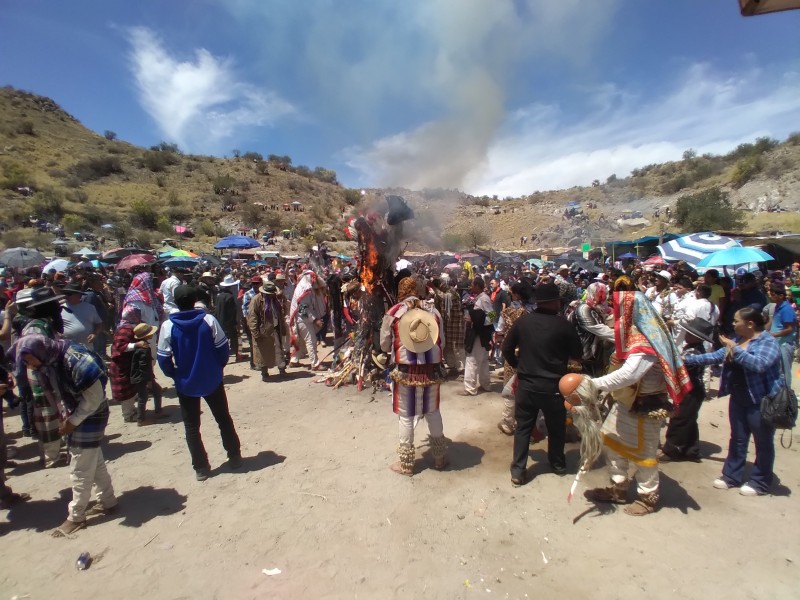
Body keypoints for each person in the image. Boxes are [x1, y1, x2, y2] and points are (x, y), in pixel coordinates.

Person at [569, 291, 692, 515]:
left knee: (643, 453)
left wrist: (591, 384)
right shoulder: (638, 335)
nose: (617, 315)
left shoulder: (648, 338)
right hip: (625, 400)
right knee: (611, 442)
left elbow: (629, 375)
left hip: (645, 405)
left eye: (620, 310)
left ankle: (648, 497)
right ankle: (619, 487)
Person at [10, 334, 117, 535]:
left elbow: (94, 399)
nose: (27, 365)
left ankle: (76, 516)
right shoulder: (50, 362)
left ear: (38, 352)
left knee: (80, 467)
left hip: (92, 412)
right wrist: (67, 418)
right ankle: (108, 501)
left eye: (27, 359)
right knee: (94, 460)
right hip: (77, 411)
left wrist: (72, 422)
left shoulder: (75, 360)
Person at [683, 307, 783, 496]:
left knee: (763, 442)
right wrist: (686, 360)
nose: (733, 324)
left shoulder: (768, 342)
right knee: (737, 438)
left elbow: (759, 364)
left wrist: (735, 349)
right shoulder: (737, 340)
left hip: (760, 400)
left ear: (750, 324)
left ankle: (760, 482)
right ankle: (731, 476)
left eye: (736, 321)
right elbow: (715, 356)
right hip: (739, 397)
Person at [157, 285, 241, 481]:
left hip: (186, 383)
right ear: (194, 300)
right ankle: (234, 455)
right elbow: (222, 349)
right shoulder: (208, 320)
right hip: (212, 378)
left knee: (192, 426)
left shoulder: (168, 326)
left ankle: (201, 467)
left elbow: (163, 359)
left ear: (175, 302)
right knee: (223, 418)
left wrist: (175, 375)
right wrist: (217, 368)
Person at [503, 282, 582, 485]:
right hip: (554, 386)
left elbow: (506, 349)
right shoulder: (564, 325)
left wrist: (518, 366)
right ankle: (557, 463)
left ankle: (518, 471)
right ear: (555, 302)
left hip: (527, 384)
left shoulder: (523, 322)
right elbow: (578, 354)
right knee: (556, 427)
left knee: (523, 428)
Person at [379, 277, 447, 476]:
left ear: (401, 291)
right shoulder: (433, 312)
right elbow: (440, 340)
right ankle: (440, 458)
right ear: (418, 290)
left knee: (406, 416)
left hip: (405, 372)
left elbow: (384, 344)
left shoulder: (394, 312)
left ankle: (407, 465)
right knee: (433, 412)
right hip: (431, 371)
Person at [659, 317, 713, 462]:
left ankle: (672, 450)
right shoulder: (691, 348)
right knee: (689, 419)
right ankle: (691, 450)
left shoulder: (693, 352)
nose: (686, 334)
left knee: (680, 419)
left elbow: (678, 366)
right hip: (694, 389)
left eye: (689, 333)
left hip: (691, 390)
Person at [496, 280, 535, 435]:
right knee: (528, 389)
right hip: (532, 354)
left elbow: (499, 331)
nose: (510, 295)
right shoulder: (534, 311)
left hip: (512, 354)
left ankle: (507, 422)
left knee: (511, 388)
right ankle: (527, 423)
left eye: (512, 293)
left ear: (517, 294)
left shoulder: (507, 312)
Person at [109, 305, 147, 423]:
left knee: (131, 390)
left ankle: (132, 410)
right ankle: (128, 415)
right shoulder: (124, 329)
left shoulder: (129, 327)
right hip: (121, 366)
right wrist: (136, 345)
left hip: (128, 364)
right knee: (126, 393)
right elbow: (120, 347)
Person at [571, 282, 615, 377]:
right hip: (582, 354)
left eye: (604, 294)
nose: (602, 297)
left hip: (593, 354)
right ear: (592, 294)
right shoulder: (584, 309)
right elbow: (599, 329)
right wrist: (623, 338)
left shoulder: (598, 308)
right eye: (599, 294)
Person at [247, 281, 288, 381]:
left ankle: (282, 369)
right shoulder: (256, 300)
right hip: (263, 332)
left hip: (275, 329)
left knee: (278, 350)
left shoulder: (275, 300)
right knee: (263, 354)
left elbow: (280, 315)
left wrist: (282, 327)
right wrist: (256, 334)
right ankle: (264, 373)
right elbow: (252, 318)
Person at [460, 277, 493, 396]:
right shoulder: (480, 298)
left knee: (471, 360)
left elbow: (492, 315)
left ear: (478, 286)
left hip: (479, 333)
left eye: (473, 285)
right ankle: (485, 384)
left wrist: (475, 321)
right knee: (483, 360)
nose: (471, 287)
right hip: (481, 333)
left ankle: (470, 388)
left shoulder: (484, 299)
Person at [288, 270, 326, 370]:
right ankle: (315, 364)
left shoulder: (303, 286)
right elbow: (303, 308)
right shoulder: (305, 288)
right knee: (311, 340)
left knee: (300, 341)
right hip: (302, 318)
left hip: (300, 318)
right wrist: (315, 320)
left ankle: (294, 360)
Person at [431, 275, 465, 375]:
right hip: (447, 323)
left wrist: (434, 288)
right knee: (447, 345)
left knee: (457, 347)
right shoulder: (442, 293)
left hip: (456, 324)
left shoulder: (451, 292)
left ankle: (461, 367)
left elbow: (444, 297)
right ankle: (452, 365)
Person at [130, 323, 162, 424]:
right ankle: (141, 419)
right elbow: (144, 366)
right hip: (142, 376)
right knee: (143, 396)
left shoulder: (140, 344)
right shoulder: (144, 347)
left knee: (153, 392)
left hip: (141, 375)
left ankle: (155, 412)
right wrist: (149, 380)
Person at [766, 283, 796, 387]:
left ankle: (787, 397)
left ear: (781, 296)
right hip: (778, 344)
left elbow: (789, 329)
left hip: (785, 345)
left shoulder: (786, 309)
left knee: (784, 373)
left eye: (773, 294)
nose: (770, 296)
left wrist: (773, 335)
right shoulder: (777, 307)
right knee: (778, 372)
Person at [60, 282, 103, 347]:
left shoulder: (90, 307)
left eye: (69, 294)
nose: (66, 296)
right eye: (65, 293)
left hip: (87, 347)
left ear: (78, 295)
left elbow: (99, 324)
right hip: (68, 348)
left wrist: (95, 334)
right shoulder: (60, 308)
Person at [214, 274, 241, 359]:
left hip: (220, 320)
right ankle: (236, 354)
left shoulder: (219, 296)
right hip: (229, 322)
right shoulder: (230, 297)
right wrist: (235, 323)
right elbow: (232, 312)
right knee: (234, 338)